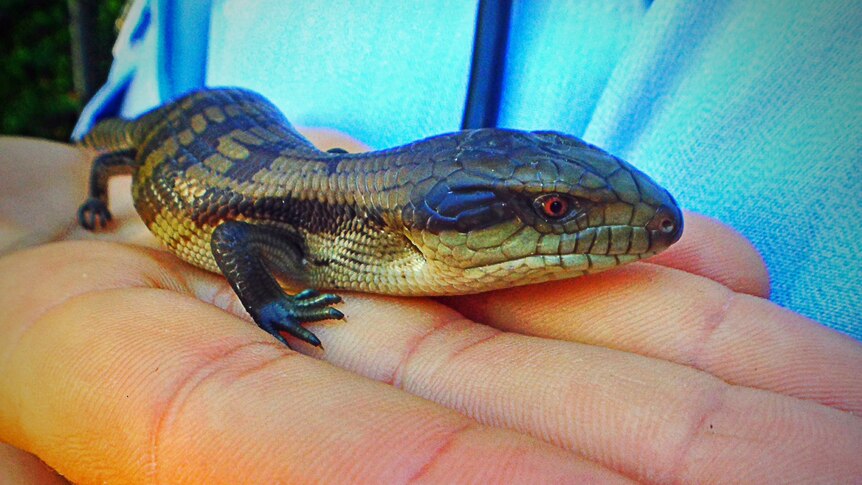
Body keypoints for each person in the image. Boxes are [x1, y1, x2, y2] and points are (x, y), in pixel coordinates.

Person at [1, 1, 860, 482]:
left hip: (260, 131)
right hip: (194, 125)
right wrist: (271, 302)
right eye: (554, 213)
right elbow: (236, 238)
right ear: (432, 222)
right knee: (113, 147)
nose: (634, 230)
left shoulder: (357, 215)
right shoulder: (287, 221)